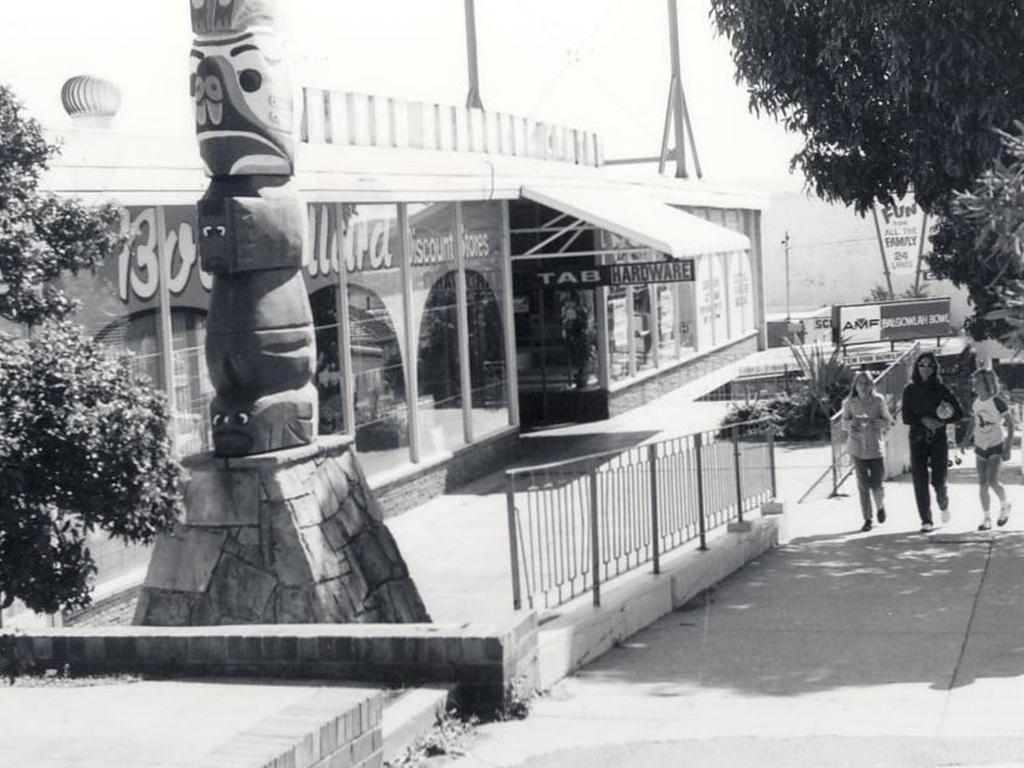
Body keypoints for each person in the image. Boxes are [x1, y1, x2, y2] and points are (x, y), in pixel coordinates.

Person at [901, 351, 964, 532]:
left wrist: (942, 420)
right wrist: (923, 420)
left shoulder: (942, 389)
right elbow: (906, 417)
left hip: (938, 439)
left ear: (935, 368)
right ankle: (926, 520)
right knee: (919, 480)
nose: (925, 368)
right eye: (922, 365)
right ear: (917, 367)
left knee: (938, 481)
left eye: (929, 365)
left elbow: (959, 413)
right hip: (917, 439)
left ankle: (943, 502)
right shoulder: (910, 390)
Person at [958, 368, 1014, 531]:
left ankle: (1005, 505)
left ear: (987, 383)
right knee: (982, 484)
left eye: (977, 381)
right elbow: (974, 421)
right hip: (980, 447)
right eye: (974, 381)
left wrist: (1008, 447)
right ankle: (986, 518)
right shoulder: (976, 402)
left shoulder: (997, 401)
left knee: (992, 481)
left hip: (995, 445)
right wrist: (965, 440)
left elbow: (1010, 424)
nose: (974, 384)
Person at [841, 371, 894, 532]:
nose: (863, 386)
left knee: (877, 484)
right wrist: (852, 424)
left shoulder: (878, 400)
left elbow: (888, 420)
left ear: (872, 385)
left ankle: (880, 506)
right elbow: (843, 422)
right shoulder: (849, 402)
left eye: (867, 383)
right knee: (863, 485)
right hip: (856, 447)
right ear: (855, 386)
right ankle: (867, 518)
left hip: (875, 447)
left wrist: (878, 423)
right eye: (860, 383)